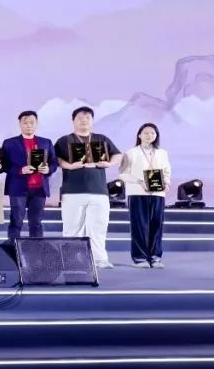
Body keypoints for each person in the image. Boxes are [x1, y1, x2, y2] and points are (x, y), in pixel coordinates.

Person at [54, 106, 123, 269]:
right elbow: (55, 159)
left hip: (99, 191)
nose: (83, 120)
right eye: (80, 118)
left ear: (92, 121)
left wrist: (109, 163)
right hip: (72, 191)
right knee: (72, 228)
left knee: (98, 227)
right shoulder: (65, 140)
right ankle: (71, 260)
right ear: (73, 121)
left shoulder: (101, 139)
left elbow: (118, 155)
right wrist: (69, 166)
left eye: (87, 118)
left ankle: (99, 259)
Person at [0, 111, 57, 243]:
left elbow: (53, 162)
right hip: (18, 189)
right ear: (19, 124)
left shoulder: (46, 142)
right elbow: (3, 166)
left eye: (32, 122)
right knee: (16, 222)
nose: (29, 125)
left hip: (39, 189)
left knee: (36, 223)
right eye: (25, 123)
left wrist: (48, 169)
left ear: (36, 124)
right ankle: (13, 249)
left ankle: (36, 251)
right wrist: (20, 170)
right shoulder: (9, 143)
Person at [119, 123, 171, 268]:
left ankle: (155, 257)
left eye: (153, 133)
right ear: (139, 135)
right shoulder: (131, 152)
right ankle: (140, 258)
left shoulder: (162, 153)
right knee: (139, 226)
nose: (149, 135)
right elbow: (122, 174)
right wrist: (139, 181)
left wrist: (166, 183)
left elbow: (166, 171)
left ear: (156, 136)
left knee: (156, 226)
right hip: (137, 193)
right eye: (146, 133)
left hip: (157, 193)